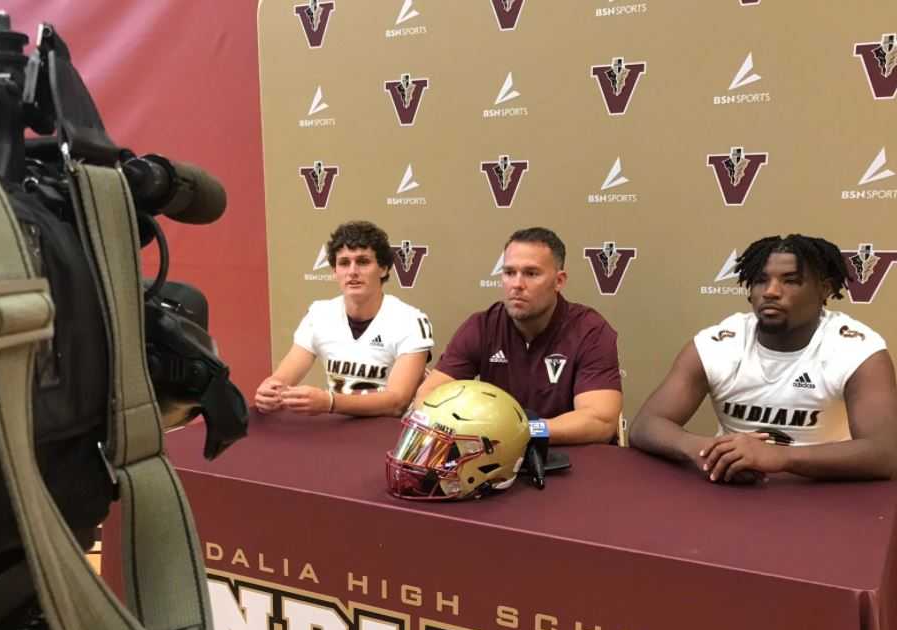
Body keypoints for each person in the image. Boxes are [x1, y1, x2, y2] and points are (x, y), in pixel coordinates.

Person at [630, 234, 897, 483]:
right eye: (760, 280)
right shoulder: (718, 344)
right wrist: (703, 451)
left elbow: (885, 453)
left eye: (790, 281)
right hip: (734, 484)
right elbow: (646, 425)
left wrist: (779, 458)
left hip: (822, 487)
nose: (770, 291)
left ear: (824, 290)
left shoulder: (858, 350)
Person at [413, 227, 622, 444]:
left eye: (531, 273)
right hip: (493, 455)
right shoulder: (482, 326)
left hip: (571, 458)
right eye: (509, 272)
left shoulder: (590, 330)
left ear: (559, 281)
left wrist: (521, 430)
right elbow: (429, 396)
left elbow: (599, 420)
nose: (517, 284)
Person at [255, 221, 433, 417]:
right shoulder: (319, 313)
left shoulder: (409, 320)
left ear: (383, 269)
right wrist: (270, 390)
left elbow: (397, 402)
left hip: (389, 432)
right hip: (337, 429)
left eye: (363, 262)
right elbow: (283, 378)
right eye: (344, 263)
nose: (352, 271)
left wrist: (330, 402)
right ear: (334, 272)